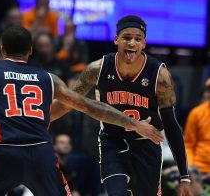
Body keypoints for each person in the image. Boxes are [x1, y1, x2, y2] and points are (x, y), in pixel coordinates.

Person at [0, 26, 163, 196]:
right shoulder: (49, 78)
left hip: (6, 152)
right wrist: (134, 123)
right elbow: (92, 106)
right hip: (42, 155)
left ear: (2, 50)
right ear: (30, 51)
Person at [50, 15, 192, 196]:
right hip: (113, 141)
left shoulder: (160, 76)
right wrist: (40, 120)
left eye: (137, 39)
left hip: (146, 145)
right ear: (116, 39)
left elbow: (171, 124)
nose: (132, 43)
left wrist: (184, 175)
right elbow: (68, 102)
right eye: (126, 37)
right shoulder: (97, 69)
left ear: (144, 44)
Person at [184, 78, 210, 177]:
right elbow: (188, 145)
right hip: (200, 170)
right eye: (208, 90)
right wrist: (191, 168)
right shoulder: (196, 113)